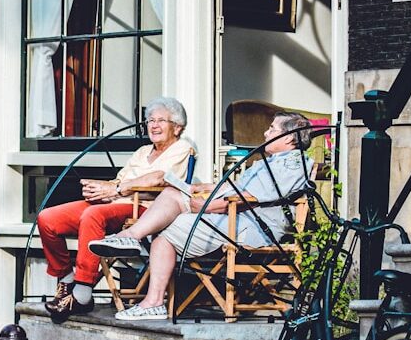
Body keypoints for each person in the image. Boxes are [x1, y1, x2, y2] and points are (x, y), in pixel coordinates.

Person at [88, 111, 313, 320]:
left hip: (249, 228)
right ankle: (131, 239)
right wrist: (205, 187)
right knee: (172, 193)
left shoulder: (292, 164)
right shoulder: (270, 162)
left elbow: (246, 198)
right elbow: (237, 188)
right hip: (234, 219)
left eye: (272, 129)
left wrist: (204, 206)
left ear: (289, 138)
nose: (266, 132)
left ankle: (152, 299)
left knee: (165, 230)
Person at [37, 97, 193, 323]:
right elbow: (118, 181)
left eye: (161, 120)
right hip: (115, 202)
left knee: (92, 215)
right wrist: (99, 189)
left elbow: (159, 178)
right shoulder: (141, 151)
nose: (154, 125)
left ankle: (82, 292)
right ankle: (67, 278)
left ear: (177, 127)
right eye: (150, 120)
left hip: (144, 209)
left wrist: (116, 190)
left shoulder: (182, 148)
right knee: (47, 218)